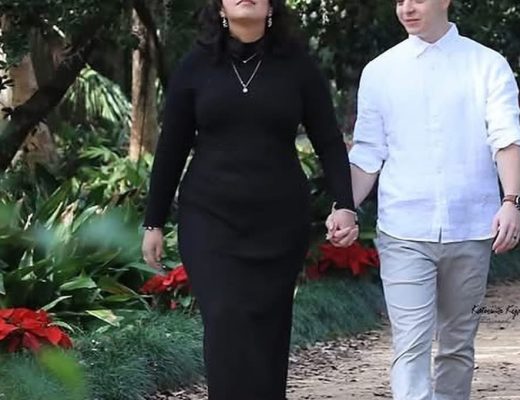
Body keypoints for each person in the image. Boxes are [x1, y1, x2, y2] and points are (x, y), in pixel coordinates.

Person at [140, 1, 358, 399]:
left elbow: (328, 139)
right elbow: (172, 147)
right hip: (209, 219)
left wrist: (344, 204)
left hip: (280, 221)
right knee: (225, 318)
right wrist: (153, 221)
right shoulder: (195, 66)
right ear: (219, 6)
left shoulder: (297, 65)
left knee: (268, 326)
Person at [328, 0, 520, 398]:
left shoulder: (487, 64)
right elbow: (368, 152)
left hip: (471, 227)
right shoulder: (380, 71)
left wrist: (511, 201)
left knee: (457, 345)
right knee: (411, 345)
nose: (406, 8)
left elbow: (506, 136)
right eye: (399, 1)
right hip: (403, 229)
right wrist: (345, 207)